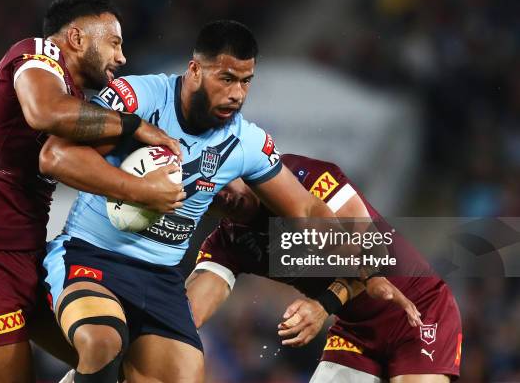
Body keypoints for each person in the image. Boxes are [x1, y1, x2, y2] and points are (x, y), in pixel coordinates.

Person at [41, 19, 411, 383]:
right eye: (227, 79)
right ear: (195, 70)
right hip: (91, 253)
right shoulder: (136, 98)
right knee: (102, 341)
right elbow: (55, 157)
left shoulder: (245, 141)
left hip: (160, 278)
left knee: (185, 375)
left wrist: (366, 264)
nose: (237, 94)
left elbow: (306, 209)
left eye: (246, 81)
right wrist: (137, 190)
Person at [0, 0, 184, 383]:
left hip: (27, 258)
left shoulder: (77, 102)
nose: (122, 57)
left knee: (117, 360)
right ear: (76, 39)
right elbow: (45, 112)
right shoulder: (37, 54)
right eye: (114, 42)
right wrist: (134, 126)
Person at [187, 153, 463, 382]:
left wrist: (323, 305)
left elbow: (374, 250)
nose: (220, 194)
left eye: (221, 180)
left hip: (419, 309)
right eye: (206, 192)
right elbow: (186, 314)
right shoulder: (228, 243)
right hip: (355, 330)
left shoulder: (303, 176)